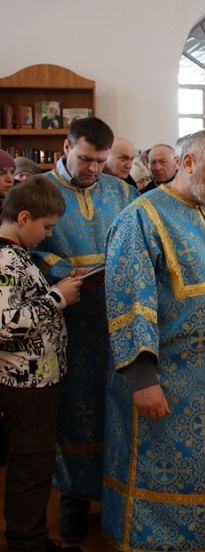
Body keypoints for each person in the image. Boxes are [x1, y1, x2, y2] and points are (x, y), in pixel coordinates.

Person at [102, 129, 205, 552]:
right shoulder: (140, 218)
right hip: (170, 379)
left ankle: (199, 539)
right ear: (189, 163)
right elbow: (129, 301)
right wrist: (142, 380)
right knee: (165, 469)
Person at [32, 117, 138, 544]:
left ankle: (114, 494)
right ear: (66, 146)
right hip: (68, 322)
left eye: (100, 160)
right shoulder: (38, 191)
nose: (94, 168)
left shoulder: (121, 191)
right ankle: (73, 498)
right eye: (85, 158)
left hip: (115, 319)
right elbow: (23, 246)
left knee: (115, 406)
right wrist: (63, 271)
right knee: (75, 410)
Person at [0, 177, 83, 552]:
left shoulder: (16, 256)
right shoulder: (6, 259)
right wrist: (57, 298)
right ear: (23, 217)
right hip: (25, 384)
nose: (48, 236)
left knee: (35, 464)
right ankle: (27, 542)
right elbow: (5, 325)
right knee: (31, 468)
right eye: (46, 227)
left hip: (36, 380)